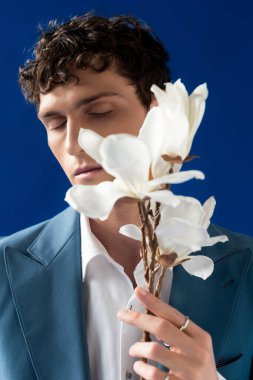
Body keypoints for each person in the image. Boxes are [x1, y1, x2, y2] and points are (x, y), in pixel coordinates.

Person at [0, 13, 252, 380]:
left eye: (99, 112)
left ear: (160, 115)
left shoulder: (246, 270)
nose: (73, 144)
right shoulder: (4, 273)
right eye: (55, 124)